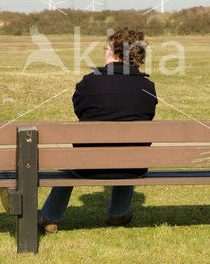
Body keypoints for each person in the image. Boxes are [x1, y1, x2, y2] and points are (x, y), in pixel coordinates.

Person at [38, 28, 157, 233]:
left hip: (87, 164)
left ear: (115, 54)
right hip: (133, 165)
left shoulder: (89, 83)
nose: (103, 52)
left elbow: (80, 111)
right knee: (127, 152)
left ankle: (50, 216)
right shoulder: (148, 87)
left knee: (70, 165)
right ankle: (119, 213)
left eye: (105, 48)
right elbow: (147, 116)